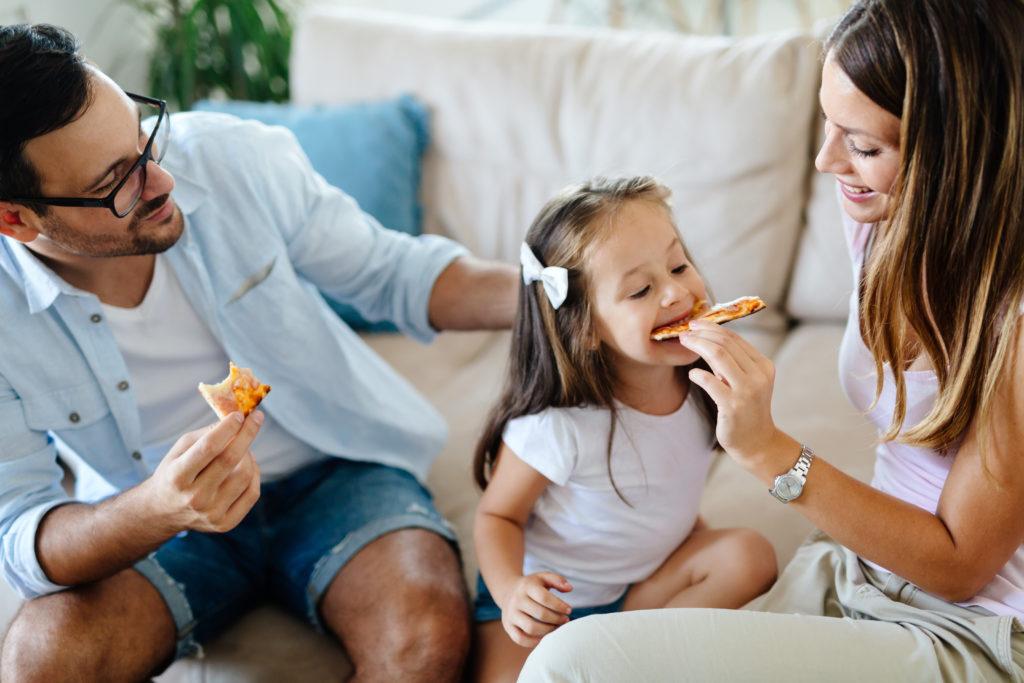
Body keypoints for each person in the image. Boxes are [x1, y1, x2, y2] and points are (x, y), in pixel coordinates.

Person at [519, 1, 1024, 681]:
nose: (825, 160)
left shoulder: (1015, 321)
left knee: (569, 664)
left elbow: (962, 564)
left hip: (970, 630)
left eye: (864, 145)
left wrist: (768, 451)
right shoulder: (880, 222)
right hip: (858, 575)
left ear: (959, 155)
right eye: (829, 124)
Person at [0, 23, 517, 682]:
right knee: (41, 661)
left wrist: (565, 293)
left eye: (141, 135)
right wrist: (157, 507)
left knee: (423, 643)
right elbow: (21, 530)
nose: (161, 179)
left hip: (339, 471)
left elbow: (393, 274)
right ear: (16, 219)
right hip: (150, 516)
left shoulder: (228, 158)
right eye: (116, 181)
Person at [471, 177, 777, 682]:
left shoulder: (705, 385)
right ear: (586, 328)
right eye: (641, 289)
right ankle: (616, 658)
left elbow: (667, 481)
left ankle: (620, 653)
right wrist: (511, 593)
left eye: (678, 265)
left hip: (637, 596)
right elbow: (497, 516)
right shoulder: (558, 429)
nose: (678, 292)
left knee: (750, 555)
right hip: (548, 613)